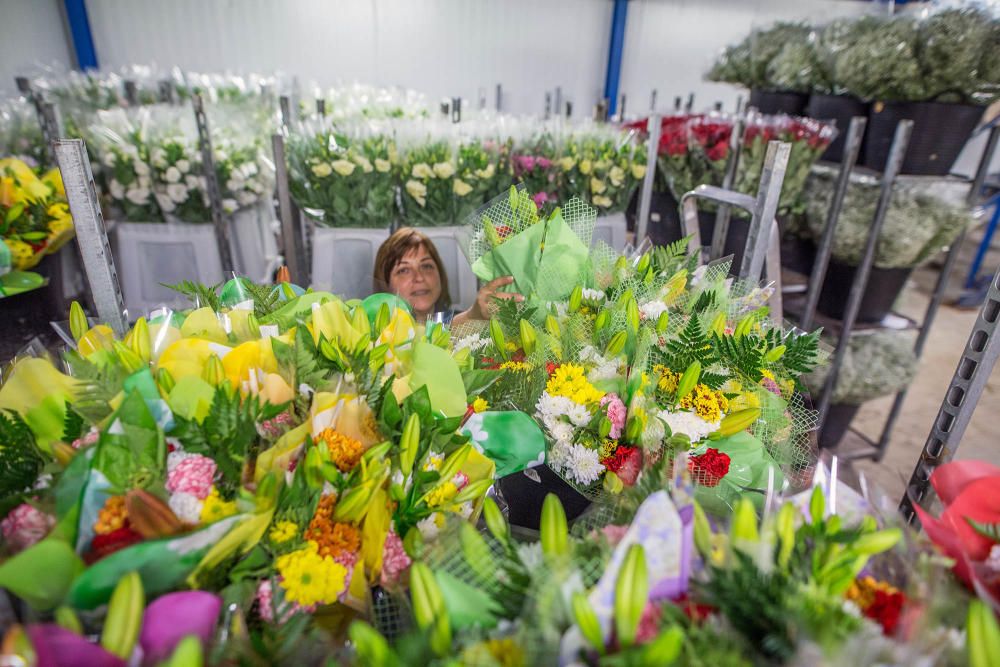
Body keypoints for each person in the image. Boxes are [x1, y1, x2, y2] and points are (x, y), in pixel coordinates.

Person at [372, 227, 522, 326]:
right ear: (384, 283)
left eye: (426, 266)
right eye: (404, 270)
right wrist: (471, 317)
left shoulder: (463, 320)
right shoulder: (370, 336)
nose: (419, 277)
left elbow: (445, 330)